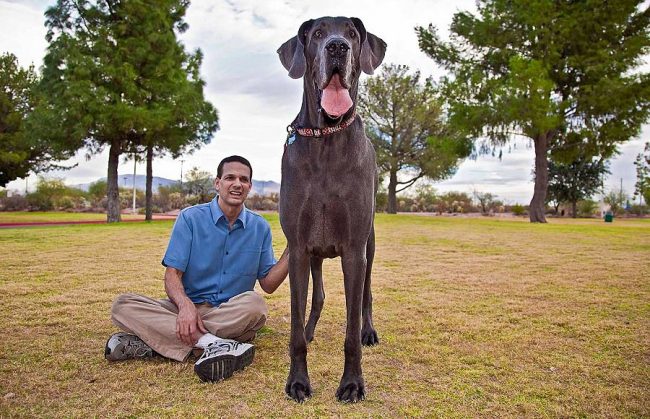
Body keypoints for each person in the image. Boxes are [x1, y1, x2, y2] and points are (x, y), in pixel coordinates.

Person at [105, 155, 289, 383]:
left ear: (250, 186)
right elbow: (173, 274)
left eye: (244, 179)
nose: (237, 184)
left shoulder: (259, 227)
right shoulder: (190, 218)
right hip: (184, 309)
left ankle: (153, 342)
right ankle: (213, 343)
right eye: (230, 177)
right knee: (122, 305)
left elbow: (268, 285)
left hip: (229, 313)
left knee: (256, 305)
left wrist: (295, 247)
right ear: (217, 183)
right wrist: (185, 307)